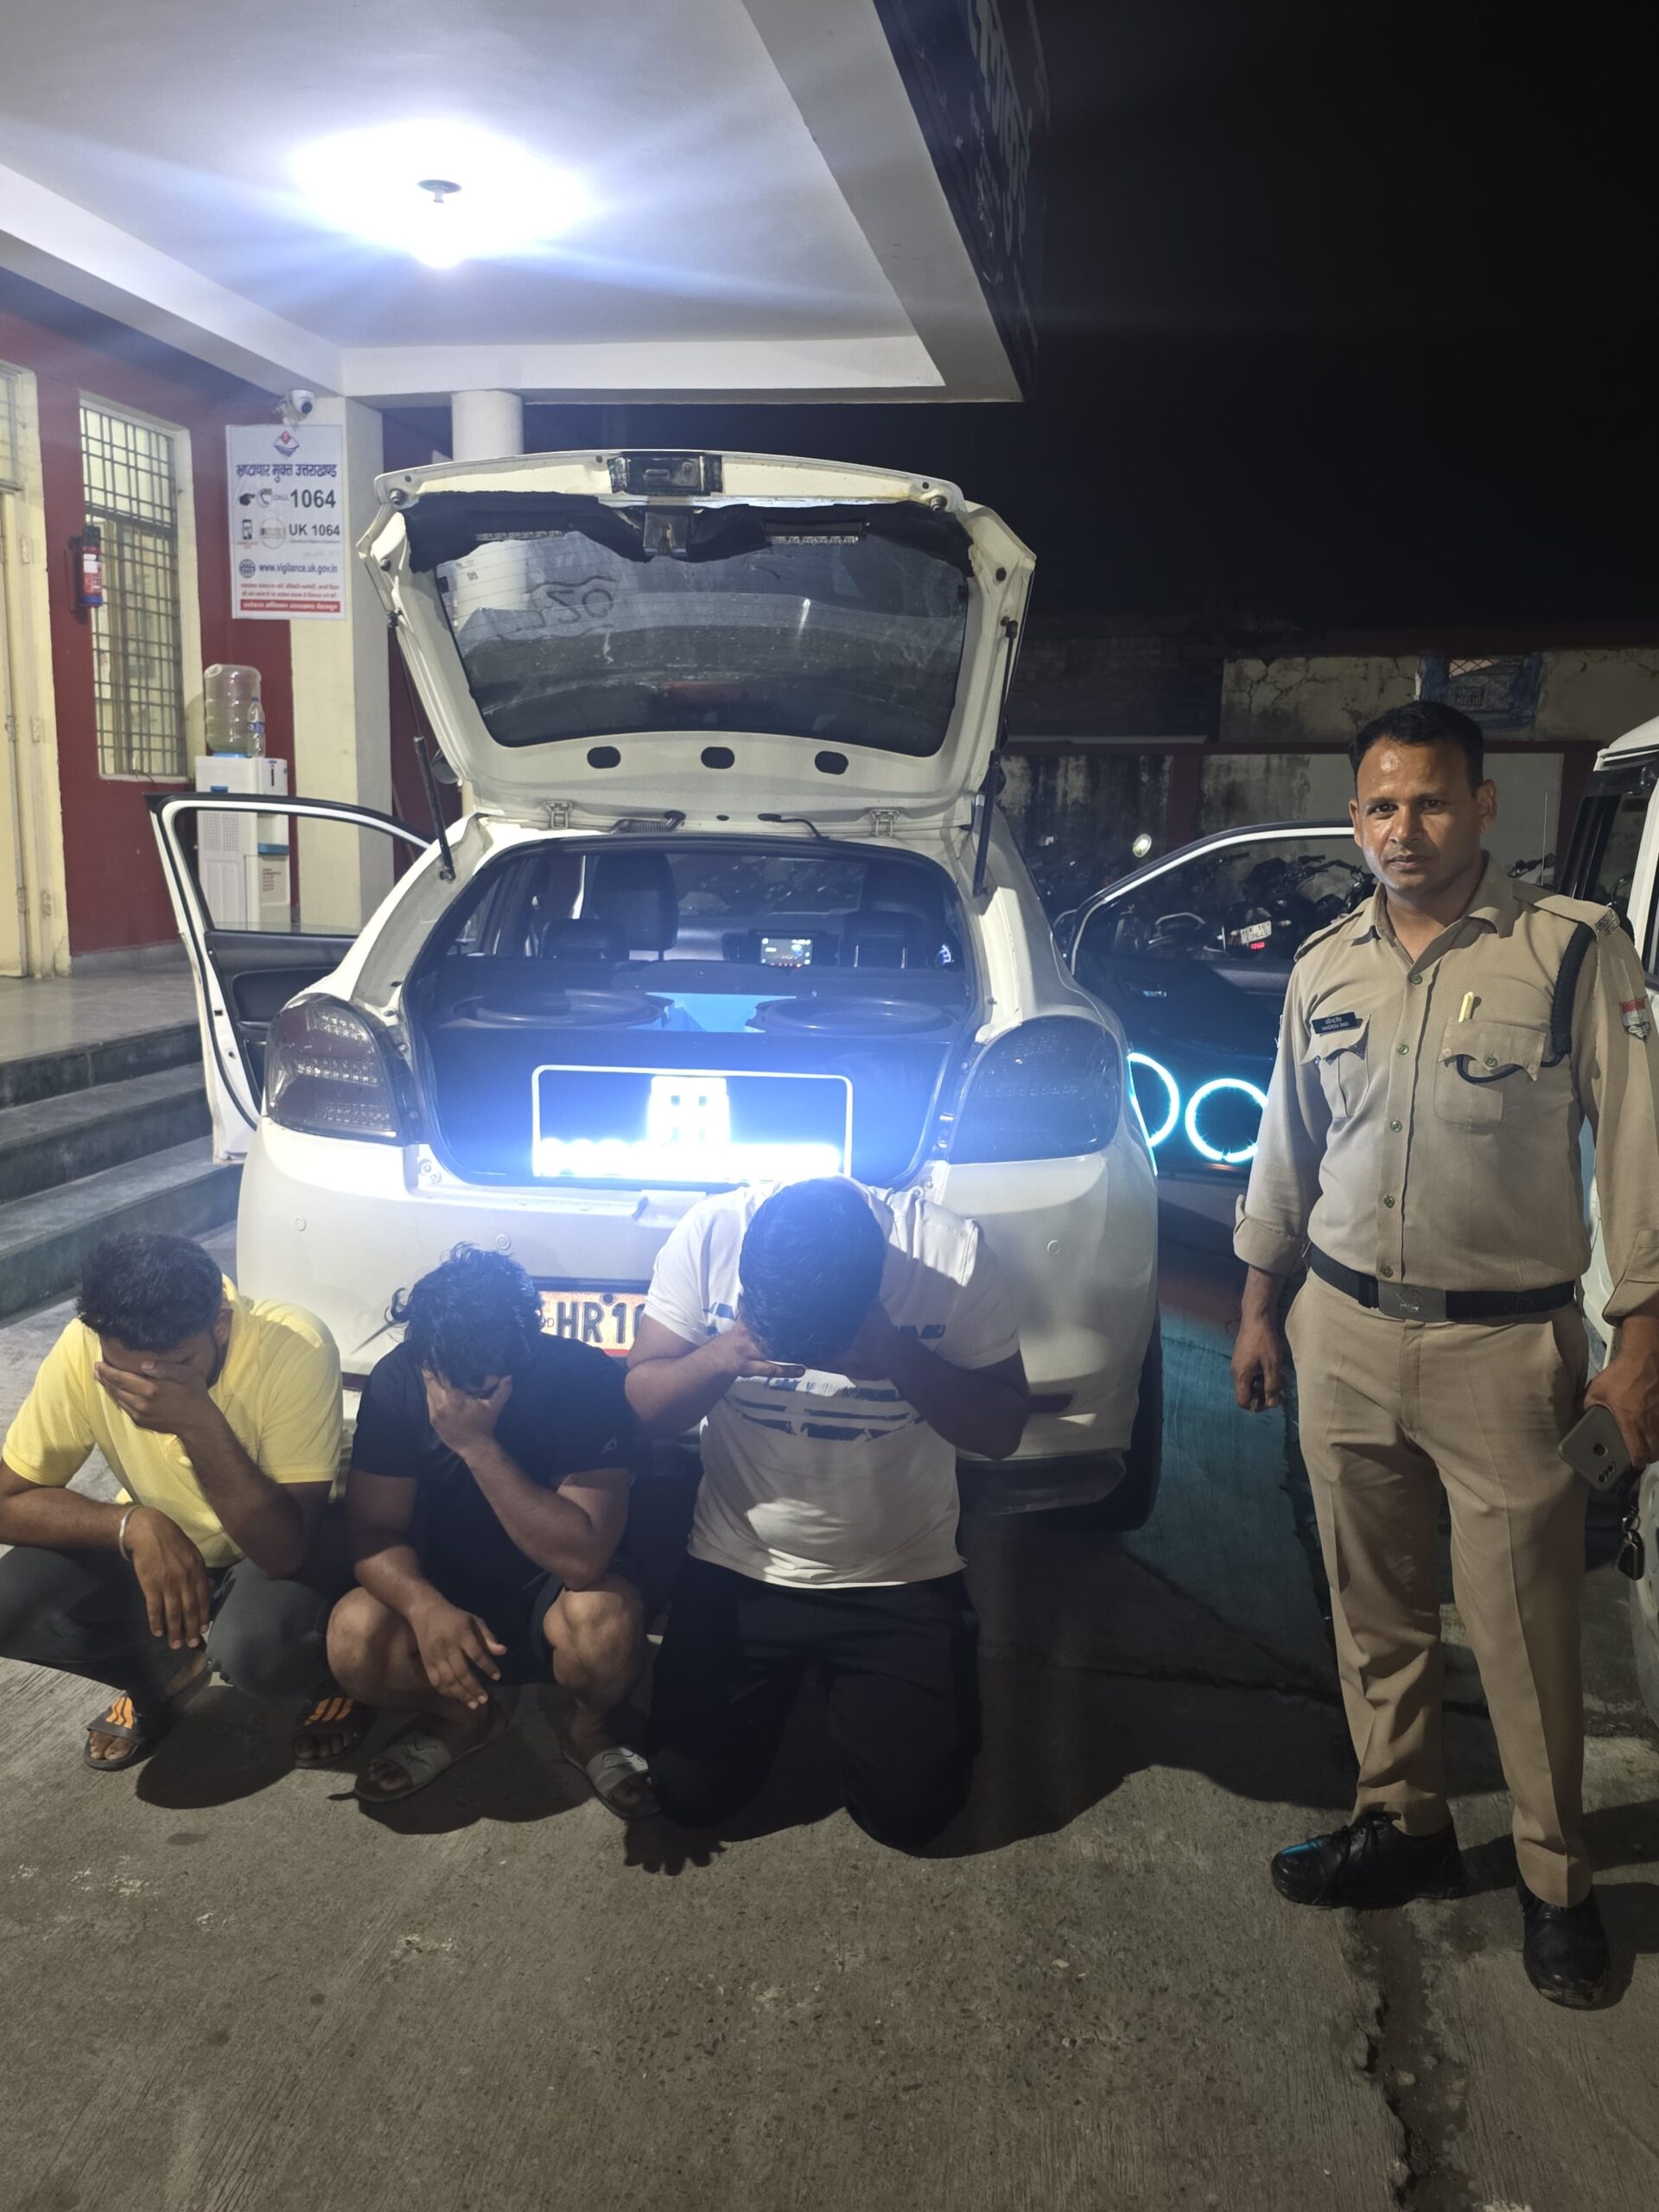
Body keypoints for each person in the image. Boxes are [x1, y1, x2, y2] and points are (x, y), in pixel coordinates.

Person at [1230, 698, 1659, 2008]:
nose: (1401, 829)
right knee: (1374, 1611)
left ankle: (1554, 1879)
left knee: (1527, 1631)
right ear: (1355, 818)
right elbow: (1288, 1146)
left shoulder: (1569, 950)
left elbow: (1638, 1151)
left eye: (1427, 801)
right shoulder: (1325, 965)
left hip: (1506, 1349)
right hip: (1343, 1330)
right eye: (1379, 805)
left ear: (1483, 806)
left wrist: (1639, 1342)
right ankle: (1402, 1821)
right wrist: (1258, 1304)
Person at [626, 1175, 1030, 1853]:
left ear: (874, 1295)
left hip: (900, 1573)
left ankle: (861, 1692)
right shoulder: (711, 1233)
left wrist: (900, 1357)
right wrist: (725, 1353)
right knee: (690, 1797)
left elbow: (1002, 1432)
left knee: (915, 1817)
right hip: (738, 1564)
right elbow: (643, 1406)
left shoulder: (952, 1255)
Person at [0, 1232, 362, 1770]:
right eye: (124, 1370)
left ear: (220, 1325)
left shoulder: (295, 1344)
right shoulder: (84, 1347)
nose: (146, 1387)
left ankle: (339, 1678)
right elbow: (8, 1499)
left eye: (176, 1366)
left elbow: (283, 1550)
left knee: (254, 1647)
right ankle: (159, 1677)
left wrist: (196, 1421)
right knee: (10, 1604)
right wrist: (131, 1524)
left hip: (287, 1542)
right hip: (172, 1538)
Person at [327, 1246, 664, 1815]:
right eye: (447, 1372)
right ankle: (465, 1717)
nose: (465, 1389)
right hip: (446, 1585)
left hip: (559, 1589)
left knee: (605, 1625)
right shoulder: (400, 1377)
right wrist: (423, 1606)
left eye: (488, 1373)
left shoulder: (581, 1375)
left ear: (527, 1340)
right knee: (353, 1637)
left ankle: (586, 1726)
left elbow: (583, 1558)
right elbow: (372, 1532)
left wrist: (476, 1444)